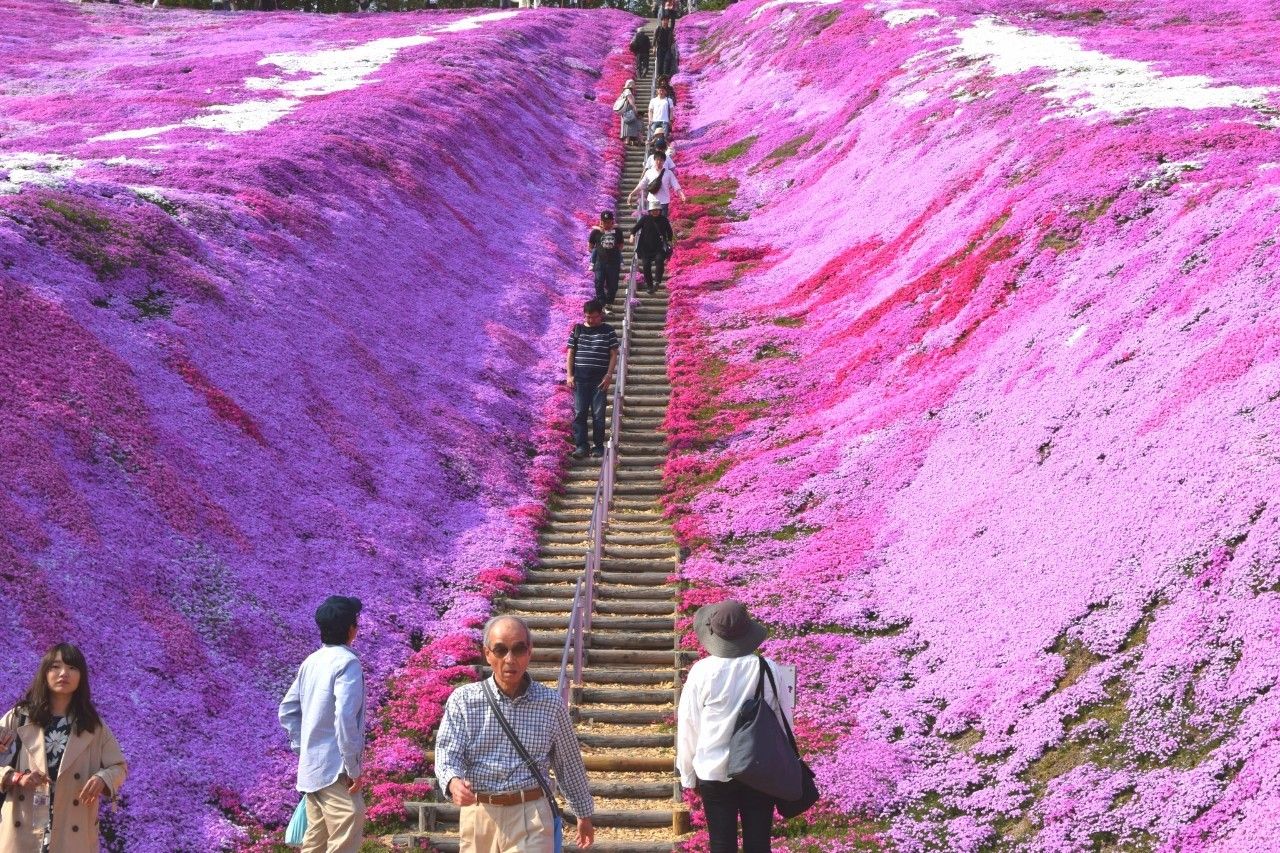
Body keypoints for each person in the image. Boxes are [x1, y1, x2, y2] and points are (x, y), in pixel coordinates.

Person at [436, 615, 595, 850]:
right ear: (487, 653)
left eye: (519, 649)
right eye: (500, 650)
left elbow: (568, 762)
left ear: (529, 652)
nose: (510, 659)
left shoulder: (550, 704)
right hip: (480, 814)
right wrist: (452, 782)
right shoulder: (463, 700)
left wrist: (583, 814)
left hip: (531, 814)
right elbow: (448, 752)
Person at [677, 601, 795, 853]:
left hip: (714, 770)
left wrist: (688, 774)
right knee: (759, 844)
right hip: (759, 768)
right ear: (747, 632)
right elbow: (785, 722)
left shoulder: (702, 672)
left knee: (721, 844)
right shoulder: (768, 668)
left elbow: (688, 726)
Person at [0, 642, 127, 853]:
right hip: (21, 826)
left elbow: (119, 766)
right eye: (55, 666)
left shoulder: (93, 725)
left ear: (81, 676)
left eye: (72, 667)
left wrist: (102, 778)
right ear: (44, 672)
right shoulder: (19, 717)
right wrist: (16, 777)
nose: (63, 673)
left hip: (73, 828)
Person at [280, 596, 367, 853]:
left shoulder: (311, 661)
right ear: (352, 629)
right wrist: (352, 767)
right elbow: (344, 718)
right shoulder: (347, 662)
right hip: (333, 769)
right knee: (350, 817)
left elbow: (287, 710)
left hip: (312, 768)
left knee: (316, 840)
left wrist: (304, 746)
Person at [562, 301, 619, 459]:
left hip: (599, 380)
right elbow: (570, 353)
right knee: (580, 413)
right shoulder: (577, 329)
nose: (590, 320)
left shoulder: (608, 330)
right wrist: (569, 375)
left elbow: (614, 353)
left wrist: (609, 375)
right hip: (580, 379)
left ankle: (598, 446)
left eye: (593, 317)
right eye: (587, 317)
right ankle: (581, 445)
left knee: (598, 415)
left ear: (600, 314)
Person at [630, 206, 674, 295]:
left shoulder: (664, 219)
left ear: (660, 211)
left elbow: (669, 231)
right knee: (646, 266)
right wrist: (632, 235)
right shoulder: (645, 219)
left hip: (659, 247)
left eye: (657, 210)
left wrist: (669, 241)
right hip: (645, 247)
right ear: (650, 211)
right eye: (653, 210)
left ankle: (657, 281)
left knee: (659, 260)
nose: (655, 212)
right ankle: (650, 286)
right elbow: (635, 228)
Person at [628, 149, 686, 217]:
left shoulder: (668, 173)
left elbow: (675, 185)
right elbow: (641, 185)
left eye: (661, 160)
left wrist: (682, 195)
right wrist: (631, 194)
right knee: (653, 223)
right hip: (652, 201)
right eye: (657, 160)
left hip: (664, 202)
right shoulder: (649, 172)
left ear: (664, 161)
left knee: (662, 222)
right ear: (654, 160)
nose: (659, 162)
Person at [589, 211, 625, 311]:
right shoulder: (595, 232)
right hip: (599, 263)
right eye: (604, 222)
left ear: (612, 222)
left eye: (609, 222)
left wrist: (614, 252)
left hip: (613, 262)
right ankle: (602, 302)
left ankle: (609, 302)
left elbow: (621, 244)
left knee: (613, 285)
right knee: (598, 282)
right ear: (601, 222)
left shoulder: (617, 231)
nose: (607, 224)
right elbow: (590, 246)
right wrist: (597, 252)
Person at [614, 81, 643, 149]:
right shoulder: (628, 91)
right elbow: (630, 101)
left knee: (627, 124)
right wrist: (635, 108)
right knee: (630, 123)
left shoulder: (624, 92)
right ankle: (628, 140)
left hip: (625, 111)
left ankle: (628, 139)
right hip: (628, 110)